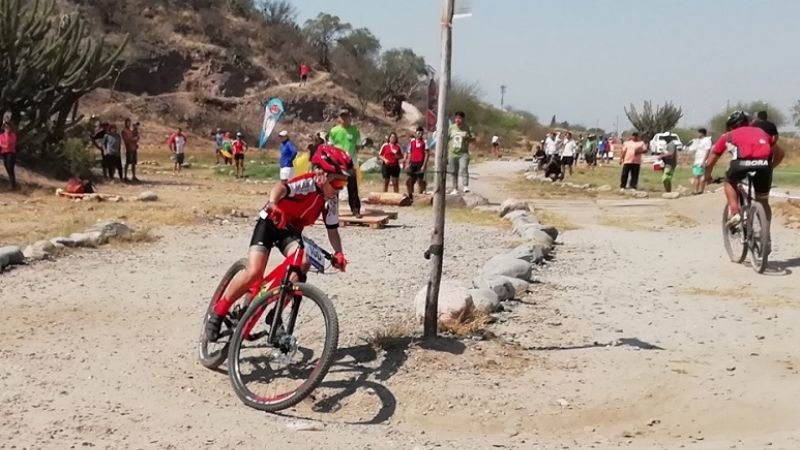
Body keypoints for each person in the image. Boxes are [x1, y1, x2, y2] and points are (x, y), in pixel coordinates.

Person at [204, 145, 352, 342]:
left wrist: (339, 253)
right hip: (271, 222)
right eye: (338, 183)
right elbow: (280, 187)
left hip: (289, 232)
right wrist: (274, 204)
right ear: (322, 175)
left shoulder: (331, 200)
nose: (340, 189)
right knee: (255, 271)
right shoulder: (307, 183)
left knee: (303, 263)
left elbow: (332, 230)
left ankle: (275, 315)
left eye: (344, 184)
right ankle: (219, 311)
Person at [705, 111, 784, 231]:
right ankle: (766, 236)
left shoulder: (728, 135)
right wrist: (770, 167)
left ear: (730, 126)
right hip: (764, 165)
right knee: (763, 201)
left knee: (729, 181)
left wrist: (707, 177)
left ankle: (735, 212)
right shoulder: (762, 132)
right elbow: (780, 154)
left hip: (740, 165)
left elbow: (709, 162)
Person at [328, 108, 362, 217]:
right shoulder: (334, 131)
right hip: (337, 164)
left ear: (350, 117)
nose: (344, 118)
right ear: (339, 118)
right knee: (335, 187)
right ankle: (333, 210)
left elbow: (357, 147)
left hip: (349, 163)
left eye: (346, 116)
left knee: (352, 187)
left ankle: (355, 210)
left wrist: (351, 158)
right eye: (342, 116)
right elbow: (330, 147)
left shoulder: (355, 130)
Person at [447, 111, 475, 194]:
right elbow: (447, 138)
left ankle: (465, 186)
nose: (457, 120)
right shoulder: (451, 128)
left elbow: (473, 139)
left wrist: (467, 138)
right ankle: (454, 188)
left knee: (463, 168)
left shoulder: (467, 128)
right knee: (453, 171)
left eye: (459, 118)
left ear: (463, 119)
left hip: (463, 153)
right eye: (456, 118)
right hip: (452, 153)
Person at [405, 127, 430, 196]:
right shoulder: (412, 142)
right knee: (409, 180)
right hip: (413, 163)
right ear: (416, 133)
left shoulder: (424, 142)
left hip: (420, 163)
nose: (420, 134)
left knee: (420, 181)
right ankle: (410, 195)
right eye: (418, 133)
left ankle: (420, 195)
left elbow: (427, 154)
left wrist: (424, 165)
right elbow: (410, 153)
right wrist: (407, 164)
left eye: (421, 133)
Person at [691, 128, 712, 194]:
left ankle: (697, 190)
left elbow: (708, 151)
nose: (697, 134)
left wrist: (704, 161)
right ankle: (699, 190)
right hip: (697, 160)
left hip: (701, 161)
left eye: (698, 133)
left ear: (702, 133)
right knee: (698, 176)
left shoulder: (707, 141)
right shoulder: (698, 141)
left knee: (697, 176)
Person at [0, 122, 18, 190]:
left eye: (8, 127)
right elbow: (1, 144)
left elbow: (8, 143)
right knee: (6, 166)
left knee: (10, 167)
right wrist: (4, 146)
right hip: (4, 153)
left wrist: (7, 135)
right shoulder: (1, 136)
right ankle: (12, 182)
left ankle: (12, 184)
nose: (7, 128)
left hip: (11, 153)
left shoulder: (13, 135)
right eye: (6, 127)